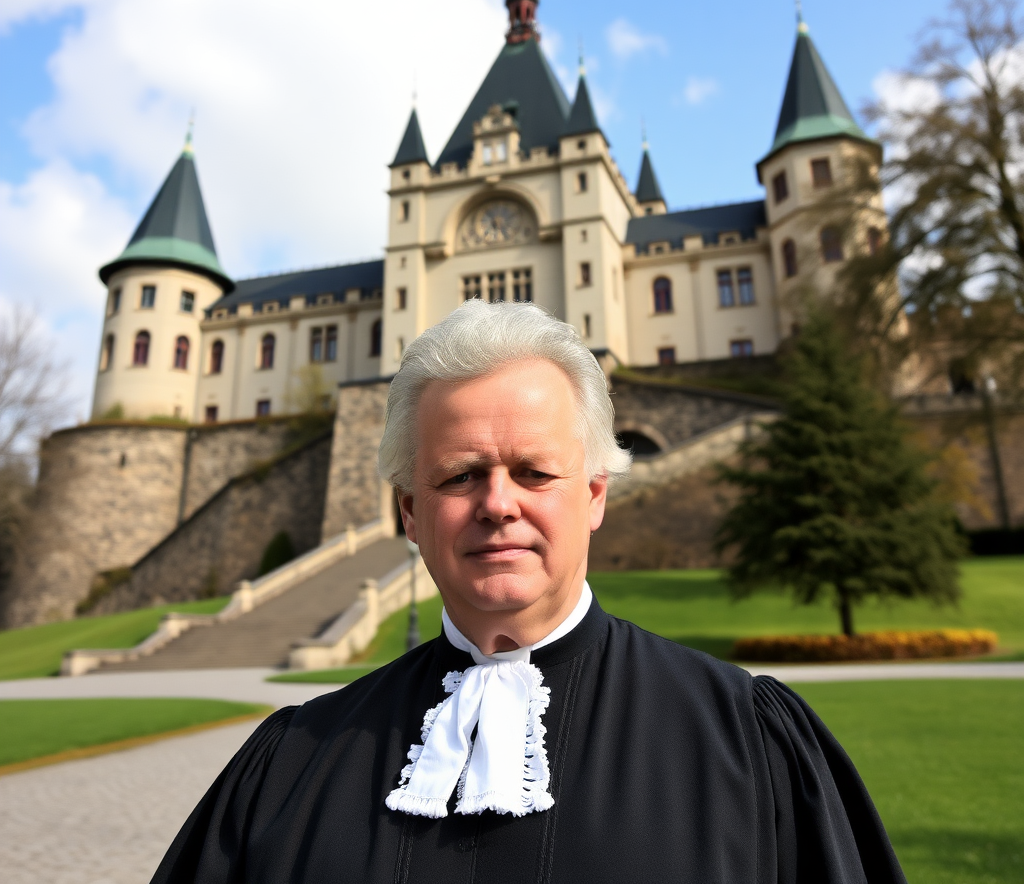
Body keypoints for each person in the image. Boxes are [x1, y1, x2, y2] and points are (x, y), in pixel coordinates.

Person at [152, 300, 907, 884]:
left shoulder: (748, 740)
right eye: (459, 475)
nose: (498, 503)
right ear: (410, 513)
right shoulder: (290, 765)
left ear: (596, 495)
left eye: (535, 472)